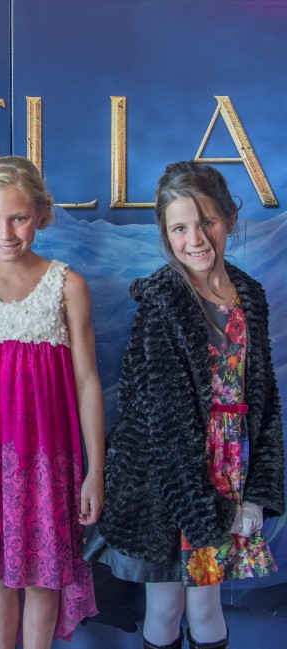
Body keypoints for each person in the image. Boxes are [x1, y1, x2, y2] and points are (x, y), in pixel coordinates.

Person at [85, 161, 283, 649]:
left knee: (207, 603)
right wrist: (212, 513)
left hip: (230, 470)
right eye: (179, 227)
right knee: (172, 603)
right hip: (171, 483)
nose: (195, 239)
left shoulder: (249, 297)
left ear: (230, 220)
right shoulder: (162, 304)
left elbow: (265, 401)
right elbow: (165, 427)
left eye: (207, 222)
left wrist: (256, 492)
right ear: (164, 232)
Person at [0, 156, 103, 648]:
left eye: (19, 217)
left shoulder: (67, 285)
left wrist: (94, 470)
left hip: (50, 460)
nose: (6, 232)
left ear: (40, 213)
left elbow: (87, 382)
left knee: (44, 574)